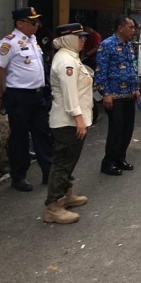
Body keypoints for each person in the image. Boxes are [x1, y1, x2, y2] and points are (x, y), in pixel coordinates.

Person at [0, 7, 52, 192]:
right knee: (20, 138)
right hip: (19, 97)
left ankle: (49, 171)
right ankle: (18, 176)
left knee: (43, 133)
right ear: (20, 23)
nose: (37, 25)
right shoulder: (9, 43)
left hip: (37, 95)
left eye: (37, 21)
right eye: (33, 22)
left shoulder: (33, 40)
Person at [43, 23, 92, 224]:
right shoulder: (66, 61)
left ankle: (66, 195)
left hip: (72, 120)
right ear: (69, 38)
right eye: (79, 37)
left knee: (69, 161)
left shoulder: (71, 57)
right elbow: (69, 92)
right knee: (62, 163)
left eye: (84, 37)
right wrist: (78, 118)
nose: (83, 41)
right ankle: (53, 206)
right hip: (67, 122)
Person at [95, 16, 140, 175]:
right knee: (116, 129)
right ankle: (108, 162)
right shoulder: (107, 45)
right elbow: (100, 71)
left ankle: (120, 158)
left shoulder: (128, 45)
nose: (133, 31)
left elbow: (132, 68)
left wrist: (136, 88)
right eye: (131, 27)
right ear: (120, 28)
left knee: (127, 128)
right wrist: (105, 93)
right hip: (114, 96)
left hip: (129, 94)